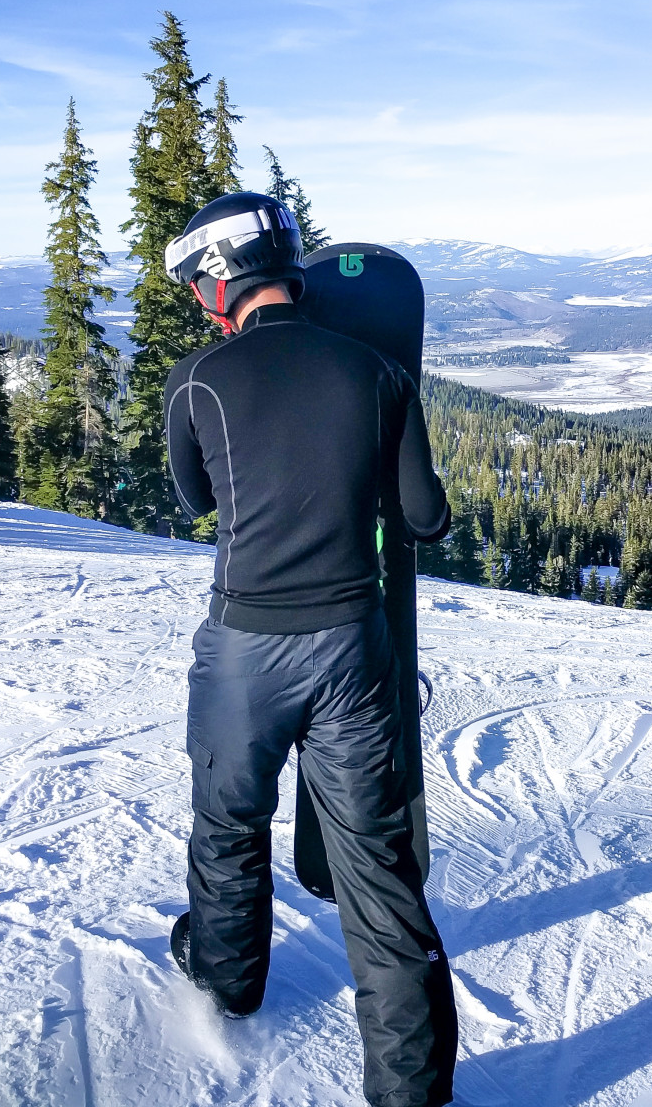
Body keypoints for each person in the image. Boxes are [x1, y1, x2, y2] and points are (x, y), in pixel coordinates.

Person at [161, 191, 458, 1107]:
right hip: (352, 652)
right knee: (376, 863)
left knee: (229, 825)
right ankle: (410, 1093)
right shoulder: (375, 372)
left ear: (219, 281)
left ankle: (227, 979)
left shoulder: (197, 379)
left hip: (245, 647)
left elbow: (193, 502)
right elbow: (425, 518)